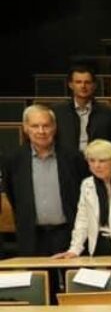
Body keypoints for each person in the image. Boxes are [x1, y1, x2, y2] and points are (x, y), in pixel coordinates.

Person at [3, 105, 87, 256]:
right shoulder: (14, 160)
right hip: (31, 236)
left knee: (72, 278)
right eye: (35, 126)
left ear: (54, 127)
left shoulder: (73, 158)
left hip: (69, 233)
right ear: (26, 128)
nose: (41, 131)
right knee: (37, 278)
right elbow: (12, 194)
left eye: (46, 126)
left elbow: (84, 192)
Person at [53, 66, 111, 155]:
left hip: (98, 163)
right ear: (70, 85)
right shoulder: (57, 112)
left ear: (94, 85)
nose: (83, 86)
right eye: (78, 82)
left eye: (87, 82)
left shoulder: (109, 113)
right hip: (67, 164)